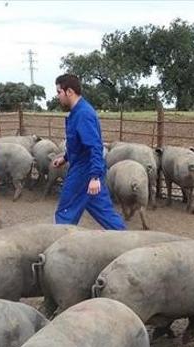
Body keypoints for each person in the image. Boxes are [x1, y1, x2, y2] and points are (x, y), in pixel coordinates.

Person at [50, 74, 126, 230]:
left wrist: (95, 176)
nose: (58, 96)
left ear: (69, 91)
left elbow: (94, 146)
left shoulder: (83, 114)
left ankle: (60, 248)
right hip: (86, 168)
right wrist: (65, 158)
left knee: (66, 212)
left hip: (84, 172)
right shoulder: (77, 111)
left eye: (59, 92)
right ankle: (127, 241)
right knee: (105, 213)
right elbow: (79, 144)